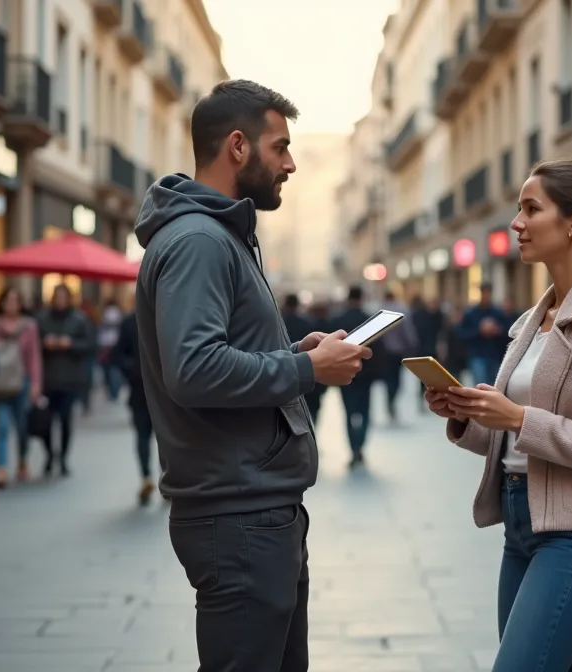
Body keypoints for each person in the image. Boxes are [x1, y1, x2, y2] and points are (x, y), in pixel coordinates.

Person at [132, 79, 371, 671]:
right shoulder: (199, 240)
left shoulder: (219, 235)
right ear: (238, 146)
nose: (290, 164)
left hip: (254, 507)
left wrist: (293, 351)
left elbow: (216, 352)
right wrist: (306, 368)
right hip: (237, 514)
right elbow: (194, 369)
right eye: (280, 147)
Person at [426, 160, 572, 670]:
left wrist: (516, 417)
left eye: (532, 209)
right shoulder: (535, 320)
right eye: (519, 209)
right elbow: (520, 440)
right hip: (521, 529)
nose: (517, 223)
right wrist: (468, 414)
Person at [0, 287, 43, 485]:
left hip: (22, 382)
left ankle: (22, 460)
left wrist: (35, 383)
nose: (11, 305)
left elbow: (34, 357)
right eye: (7, 300)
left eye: (15, 301)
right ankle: (1, 468)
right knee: (1, 426)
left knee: (22, 426)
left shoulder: (29, 326)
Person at [37, 284, 93, 477]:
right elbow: (33, 346)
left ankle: (63, 458)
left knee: (65, 420)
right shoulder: (42, 319)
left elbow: (90, 345)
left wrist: (71, 344)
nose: (60, 301)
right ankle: (49, 454)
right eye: (57, 297)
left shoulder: (79, 319)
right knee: (45, 421)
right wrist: (46, 344)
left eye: (63, 297)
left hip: (70, 379)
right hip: (47, 379)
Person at [329, 286, 378, 466]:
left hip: (344, 374)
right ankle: (360, 446)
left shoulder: (337, 320)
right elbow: (377, 350)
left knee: (349, 413)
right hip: (365, 375)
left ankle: (353, 447)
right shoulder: (369, 320)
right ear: (362, 298)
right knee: (365, 411)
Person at [112, 309, 156, 505]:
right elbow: (117, 354)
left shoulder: (167, 316)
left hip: (164, 390)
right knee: (144, 435)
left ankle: (160, 479)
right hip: (141, 389)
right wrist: (132, 371)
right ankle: (147, 478)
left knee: (160, 437)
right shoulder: (130, 322)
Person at [281, 293, 325, 420]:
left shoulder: (279, 323)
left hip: (285, 375)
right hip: (308, 374)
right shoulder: (307, 324)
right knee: (311, 411)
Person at [377, 290, 418, 425]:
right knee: (396, 380)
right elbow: (408, 332)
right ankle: (392, 400)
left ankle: (390, 401)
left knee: (388, 379)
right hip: (398, 352)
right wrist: (411, 345)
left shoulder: (379, 311)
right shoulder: (401, 311)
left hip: (383, 353)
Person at [457, 282, 510, 385]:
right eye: (484, 293)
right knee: (480, 385)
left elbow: (508, 333)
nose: (486, 296)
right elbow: (461, 334)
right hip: (477, 355)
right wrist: (479, 330)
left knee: (494, 385)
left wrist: (496, 330)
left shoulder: (498, 313)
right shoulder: (471, 313)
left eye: (488, 293)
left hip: (495, 355)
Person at [97, 299, 125, 402]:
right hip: (113, 345)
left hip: (107, 345)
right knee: (113, 370)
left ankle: (112, 391)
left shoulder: (106, 313)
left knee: (109, 370)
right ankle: (114, 391)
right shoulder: (118, 314)